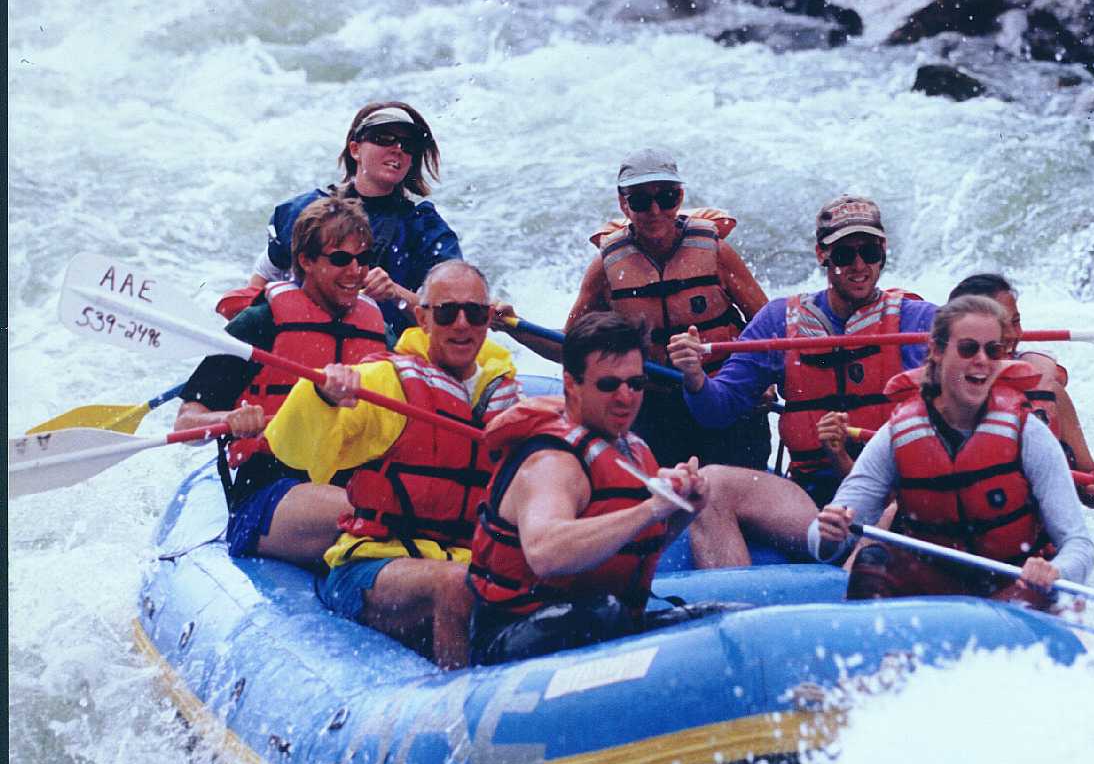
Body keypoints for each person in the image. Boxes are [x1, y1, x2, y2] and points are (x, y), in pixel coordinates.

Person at [264, 260, 521, 669]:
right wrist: (323, 397)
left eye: (474, 313)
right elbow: (292, 451)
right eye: (446, 312)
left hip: (465, 560)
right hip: (374, 566)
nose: (461, 324)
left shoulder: (507, 398)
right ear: (422, 317)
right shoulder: (385, 382)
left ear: (488, 319)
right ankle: (458, 697)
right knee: (456, 585)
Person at [467, 313, 747, 666]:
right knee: (606, 612)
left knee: (733, 620)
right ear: (571, 383)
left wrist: (683, 508)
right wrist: (650, 509)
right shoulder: (551, 462)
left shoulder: (632, 448)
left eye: (636, 384)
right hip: (512, 642)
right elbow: (546, 553)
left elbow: (632, 547)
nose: (625, 397)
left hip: (602, 622)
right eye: (609, 384)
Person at [811, 295, 1094, 605]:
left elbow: (1079, 545)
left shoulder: (1028, 433)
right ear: (937, 351)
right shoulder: (898, 434)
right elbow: (825, 536)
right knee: (872, 564)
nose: (982, 361)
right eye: (968, 348)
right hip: (936, 586)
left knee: (1033, 591)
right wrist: (829, 534)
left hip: (1012, 586)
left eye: (993, 350)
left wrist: (1056, 572)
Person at [502, 149, 771, 470]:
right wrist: (512, 326)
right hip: (656, 410)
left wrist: (763, 381)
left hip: (724, 395)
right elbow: (570, 348)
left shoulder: (717, 253)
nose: (655, 211)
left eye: (666, 198)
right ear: (623, 204)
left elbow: (767, 327)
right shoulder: (606, 269)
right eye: (641, 201)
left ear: (680, 197)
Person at [669, 194, 939, 508]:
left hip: (893, 491)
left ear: (883, 251)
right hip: (810, 494)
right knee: (711, 485)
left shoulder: (920, 320)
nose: (859, 265)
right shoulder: (778, 321)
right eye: (844, 255)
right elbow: (717, 411)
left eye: (869, 252)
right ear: (822, 254)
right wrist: (694, 376)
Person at [174, 194, 388, 569]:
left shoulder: (378, 332)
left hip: (352, 483)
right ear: (306, 261)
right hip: (269, 492)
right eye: (340, 259)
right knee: (370, 513)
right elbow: (186, 426)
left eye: (363, 259)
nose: (355, 271)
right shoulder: (259, 324)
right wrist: (229, 419)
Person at [224, 101, 462, 336]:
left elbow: (451, 315)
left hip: (381, 352)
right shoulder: (303, 211)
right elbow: (263, 277)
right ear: (355, 149)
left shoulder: (425, 229)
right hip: (299, 341)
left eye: (408, 145)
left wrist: (395, 293)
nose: (398, 149)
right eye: (384, 138)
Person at [944, 273, 1094, 507]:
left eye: (1015, 322)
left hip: (1030, 527)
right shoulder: (930, 396)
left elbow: (1089, 492)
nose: (1012, 335)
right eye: (998, 324)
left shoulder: (1049, 392)